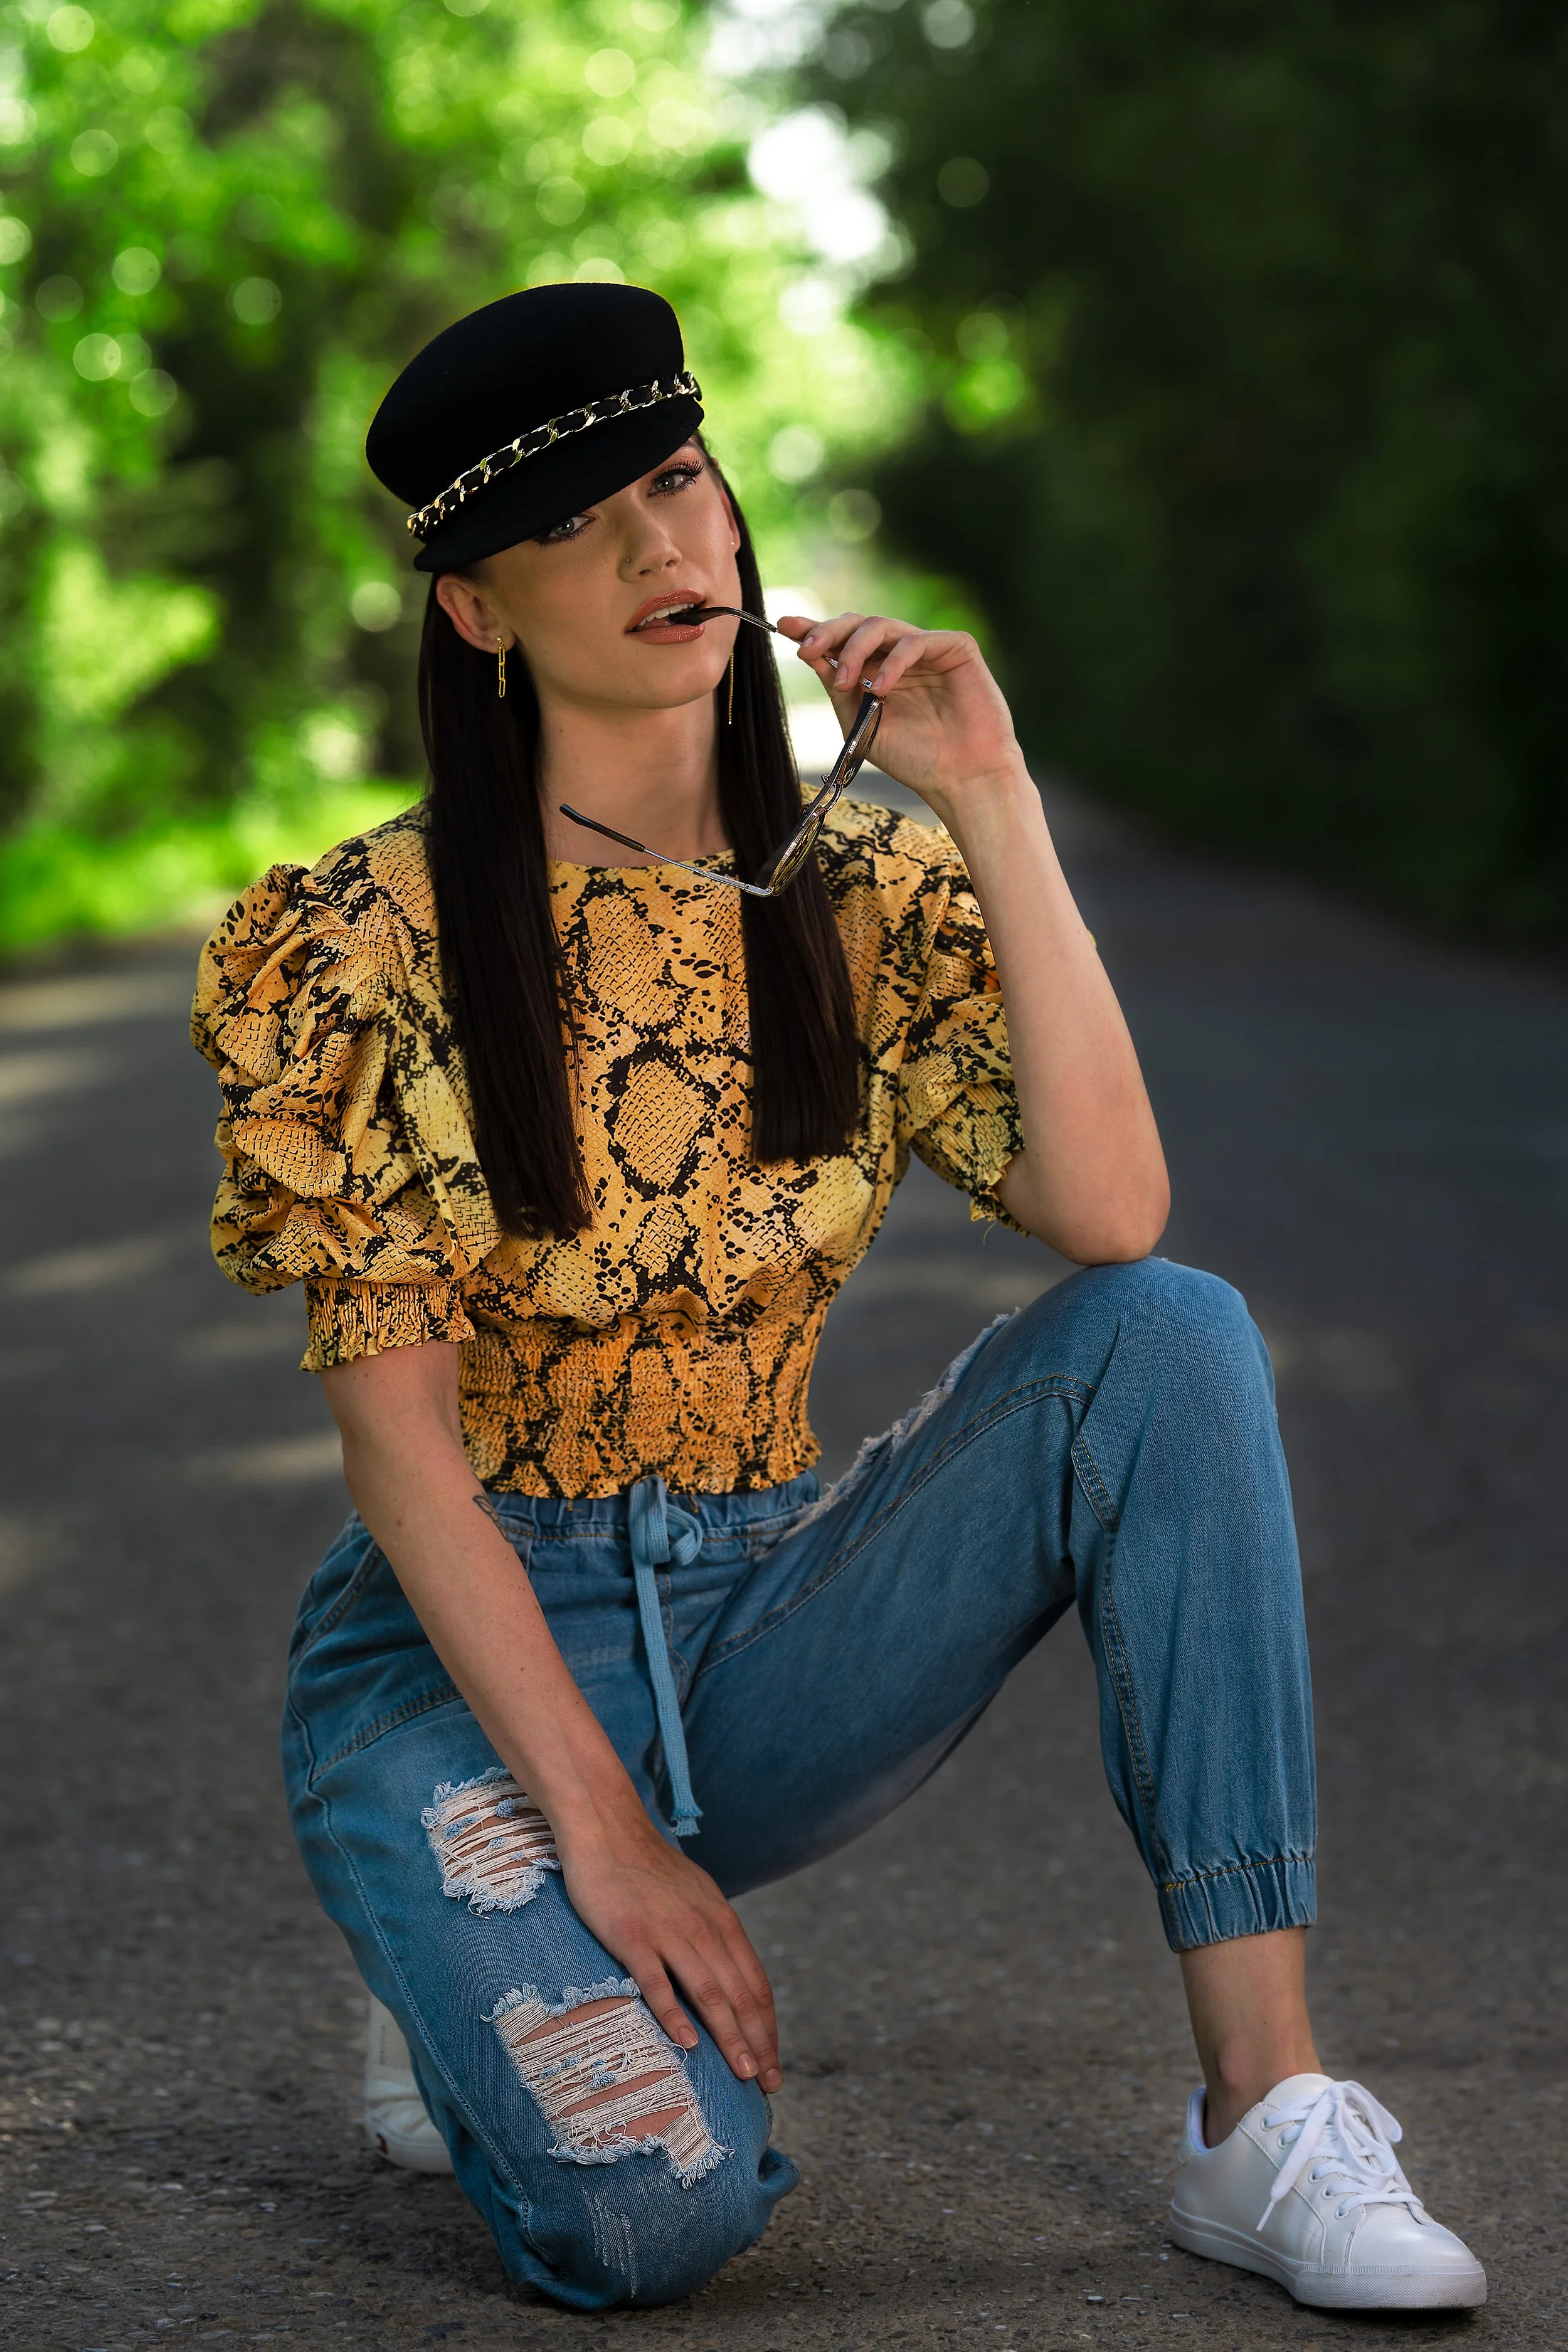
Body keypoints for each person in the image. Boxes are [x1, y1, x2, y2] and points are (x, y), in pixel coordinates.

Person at [191, 282, 1484, 2315]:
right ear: (474, 609)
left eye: (681, 482)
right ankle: (484, 1954)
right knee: (657, 2217)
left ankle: (1265, 2111)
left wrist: (992, 797)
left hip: (766, 1615)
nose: (660, 546)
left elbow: (1113, 1209)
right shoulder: (361, 940)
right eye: (583, 521)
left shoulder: (862, 892)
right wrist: (601, 1841)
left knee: (1170, 1335)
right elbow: (396, 1444)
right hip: (466, 1678)